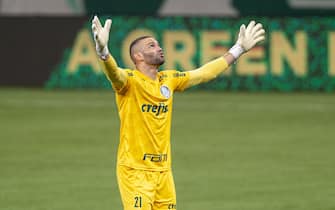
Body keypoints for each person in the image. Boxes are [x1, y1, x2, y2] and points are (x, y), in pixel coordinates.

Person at [91, 15, 265, 210]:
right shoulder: (129, 82)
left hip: (164, 172)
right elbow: (114, 73)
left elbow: (204, 73)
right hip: (135, 172)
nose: (158, 47)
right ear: (138, 56)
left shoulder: (169, 79)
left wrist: (238, 49)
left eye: (157, 44)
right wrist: (103, 52)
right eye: (151, 46)